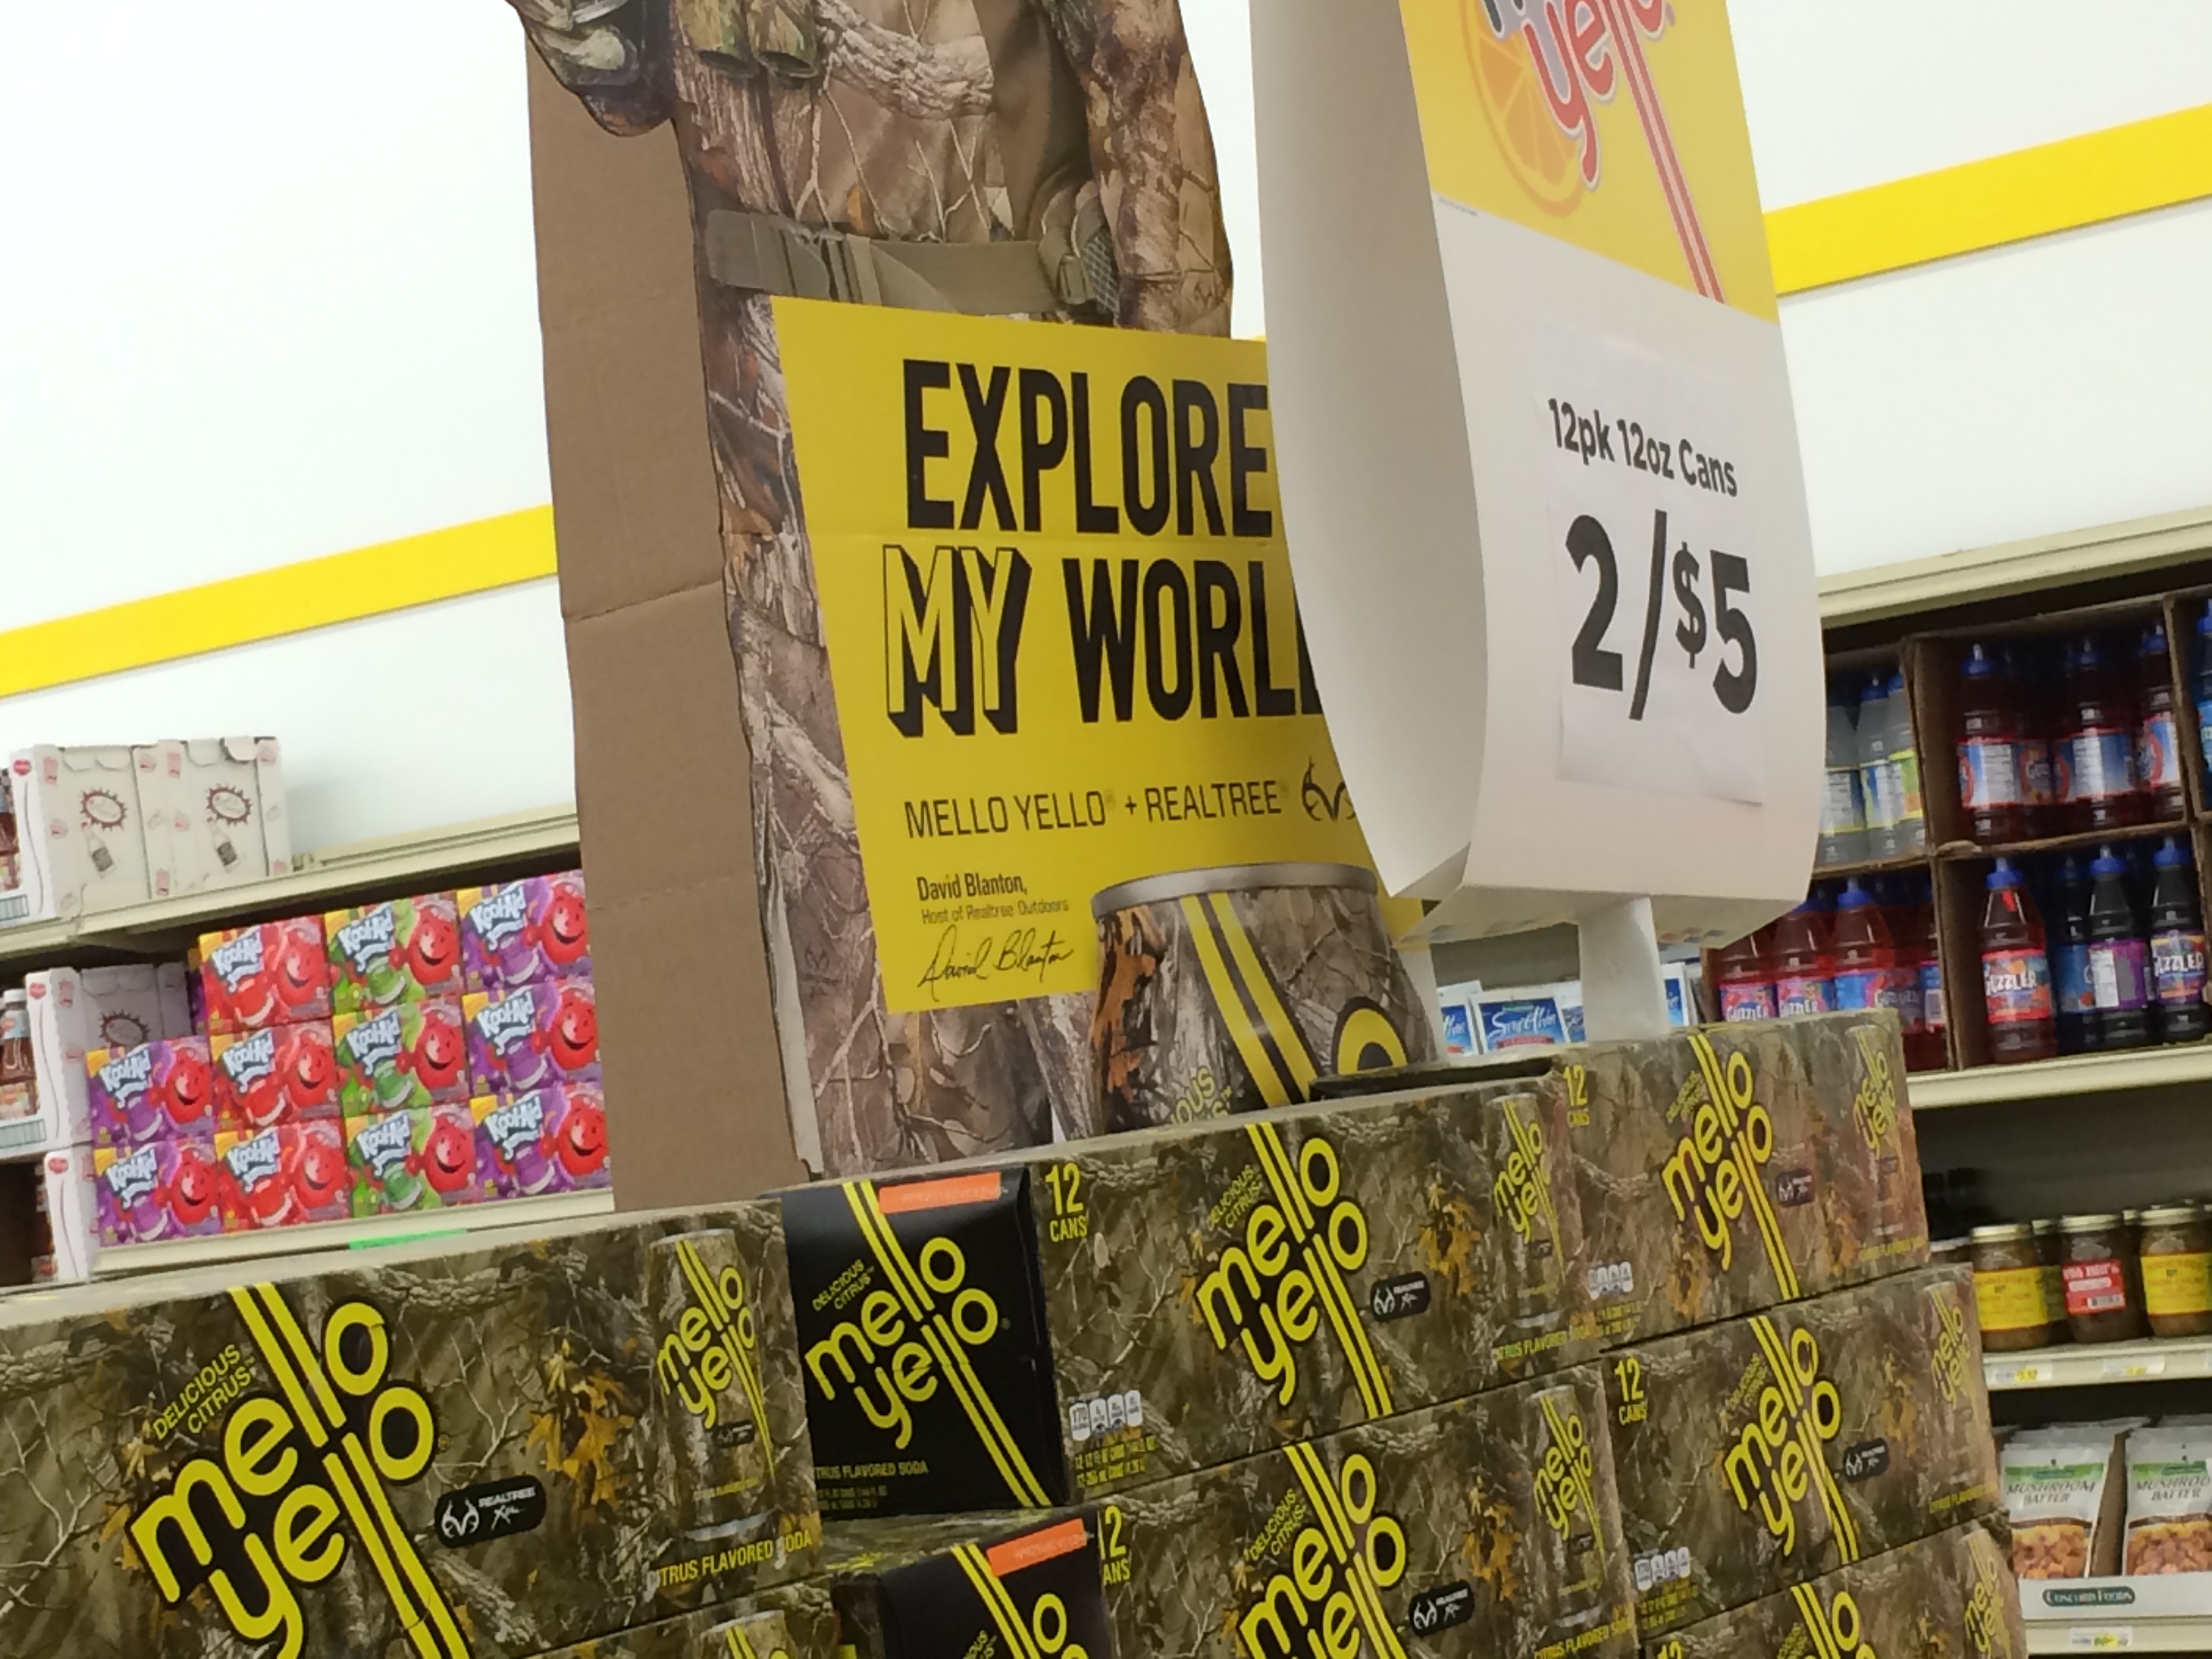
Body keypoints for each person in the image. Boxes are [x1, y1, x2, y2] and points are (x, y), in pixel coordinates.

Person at [500, 0, 1234, 1174]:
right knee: (879, 1015)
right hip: (783, 465)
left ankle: (1150, 1247)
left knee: (1094, 996)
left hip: (1015, 430)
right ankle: (934, 1269)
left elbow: (1139, 75)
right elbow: (624, 84)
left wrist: (1177, 454)